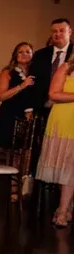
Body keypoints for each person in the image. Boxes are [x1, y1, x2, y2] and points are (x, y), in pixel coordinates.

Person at [28, 19, 71, 176]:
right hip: (43, 109)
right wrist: (31, 107)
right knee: (41, 151)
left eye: (61, 30)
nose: (57, 34)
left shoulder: (73, 54)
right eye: (54, 31)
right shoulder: (41, 54)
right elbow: (32, 83)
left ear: (69, 32)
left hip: (67, 111)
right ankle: (39, 188)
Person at [36, 58, 74, 227]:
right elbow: (53, 94)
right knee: (67, 165)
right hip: (64, 121)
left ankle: (65, 207)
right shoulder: (66, 67)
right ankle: (63, 209)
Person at [0, 42, 36, 148]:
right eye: (20, 52)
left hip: (28, 118)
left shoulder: (35, 73)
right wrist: (22, 86)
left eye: (27, 52)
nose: (24, 54)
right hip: (10, 114)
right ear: (15, 55)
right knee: (8, 148)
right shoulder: (8, 72)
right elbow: (0, 96)